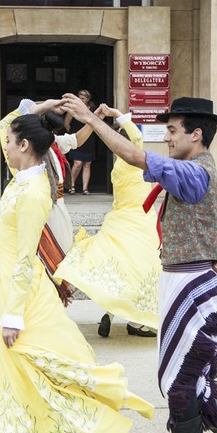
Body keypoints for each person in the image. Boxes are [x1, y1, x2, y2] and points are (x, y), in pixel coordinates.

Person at [63, 93, 217, 433]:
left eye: (171, 131)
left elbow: (136, 158)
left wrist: (91, 120)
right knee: (189, 375)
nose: (166, 138)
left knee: (178, 379)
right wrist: (207, 249)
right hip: (186, 279)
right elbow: (211, 223)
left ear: (195, 134)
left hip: (190, 285)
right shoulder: (194, 168)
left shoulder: (195, 172)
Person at [0, 112, 153, 433]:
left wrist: (13, 314)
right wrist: (40, 106)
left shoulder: (33, 192)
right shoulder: (20, 179)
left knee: (43, 372)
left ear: (25, 146)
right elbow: (5, 125)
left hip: (18, 292)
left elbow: (26, 258)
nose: (6, 147)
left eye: (11, 143)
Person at [54, 103, 160, 338]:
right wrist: (118, 115)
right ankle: (136, 322)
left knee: (118, 269)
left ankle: (109, 315)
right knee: (140, 269)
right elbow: (136, 136)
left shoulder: (119, 167)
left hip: (118, 220)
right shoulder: (135, 163)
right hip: (140, 221)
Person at [0, 98, 90, 302]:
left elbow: (75, 139)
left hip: (56, 213)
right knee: (37, 266)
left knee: (55, 269)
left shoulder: (51, 146)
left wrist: (94, 119)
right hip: (36, 214)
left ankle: (50, 307)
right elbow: (5, 124)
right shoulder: (23, 156)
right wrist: (47, 105)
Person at [65, 89, 98, 195]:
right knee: (77, 163)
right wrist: (73, 134)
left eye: (83, 98)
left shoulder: (93, 109)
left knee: (87, 164)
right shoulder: (73, 108)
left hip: (89, 138)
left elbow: (97, 122)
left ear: (88, 99)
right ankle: (71, 185)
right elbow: (66, 123)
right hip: (76, 138)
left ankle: (85, 188)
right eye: (79, 98)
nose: (80, 100)